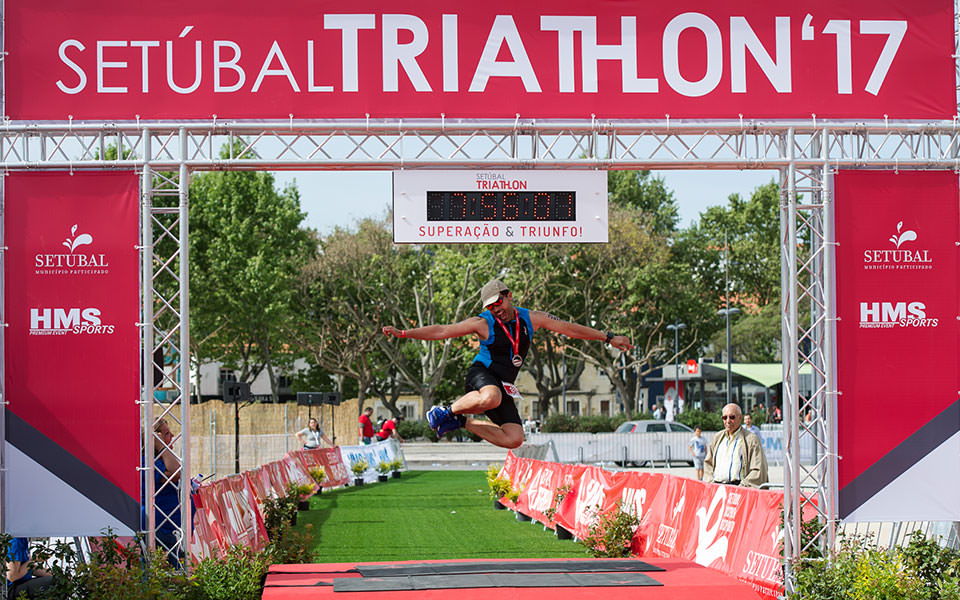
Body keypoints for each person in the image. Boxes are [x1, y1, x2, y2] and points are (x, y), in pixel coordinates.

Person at [382, 278, 633, 449]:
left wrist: (608, 337)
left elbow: (569, 329)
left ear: (509, 296)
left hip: (504, 385)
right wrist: (405, 333)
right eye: (490, 307)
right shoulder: (483, 323)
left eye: (498, 303)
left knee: (514, 439)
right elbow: (442, 331)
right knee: (491, 397)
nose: (495, 309)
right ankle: (445, 410)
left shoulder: (532, 319)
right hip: (482, 375)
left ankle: (461, 421)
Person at [704, 403, 768, 487]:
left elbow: (758, 470)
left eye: (732, 417)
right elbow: (708, 464)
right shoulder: (717, 438)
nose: (728, 421)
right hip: (717, 489)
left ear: (740, 417)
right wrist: (710, 483)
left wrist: (742, 487)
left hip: (739, 490)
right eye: (724, 417)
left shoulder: (751, 439)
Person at [153, 418, 184, 558]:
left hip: (173, 528)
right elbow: (176, 473)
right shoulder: (149, 463)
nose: (171, 436)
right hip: (162, 528)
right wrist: (161, 446)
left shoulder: (162, 461)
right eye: (166, 434)